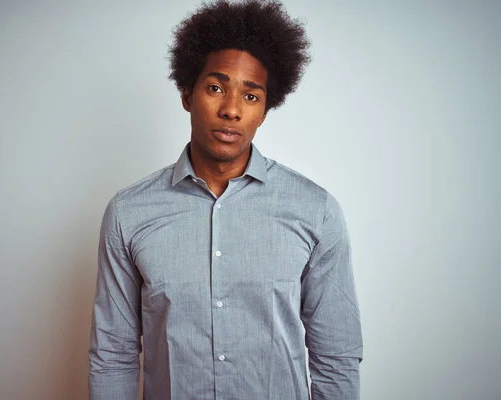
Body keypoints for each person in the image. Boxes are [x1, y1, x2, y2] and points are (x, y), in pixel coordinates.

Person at [88, 1, 363, 399]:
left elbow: (336, 355)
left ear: (265, 111)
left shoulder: (315, 211)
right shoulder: (128, 213)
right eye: (216, 88)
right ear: (187, 94)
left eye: (251, 96)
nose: (231, 110)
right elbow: (113, 354)